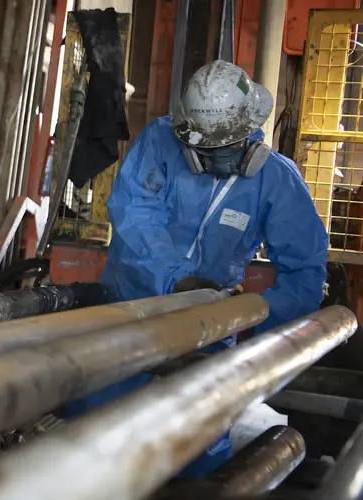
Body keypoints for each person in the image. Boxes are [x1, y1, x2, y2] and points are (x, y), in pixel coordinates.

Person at [58, 60, 328, 476]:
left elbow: (306, 272)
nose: (209, 159)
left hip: (209, 332)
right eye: (202, 150)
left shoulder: (276, 181)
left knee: (191, 450)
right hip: (128, 313)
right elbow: (135, 215)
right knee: (93, 441)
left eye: (222, 149)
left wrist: (253, 316)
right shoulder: (160, 144)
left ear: (247, 137)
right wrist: (175, 278)